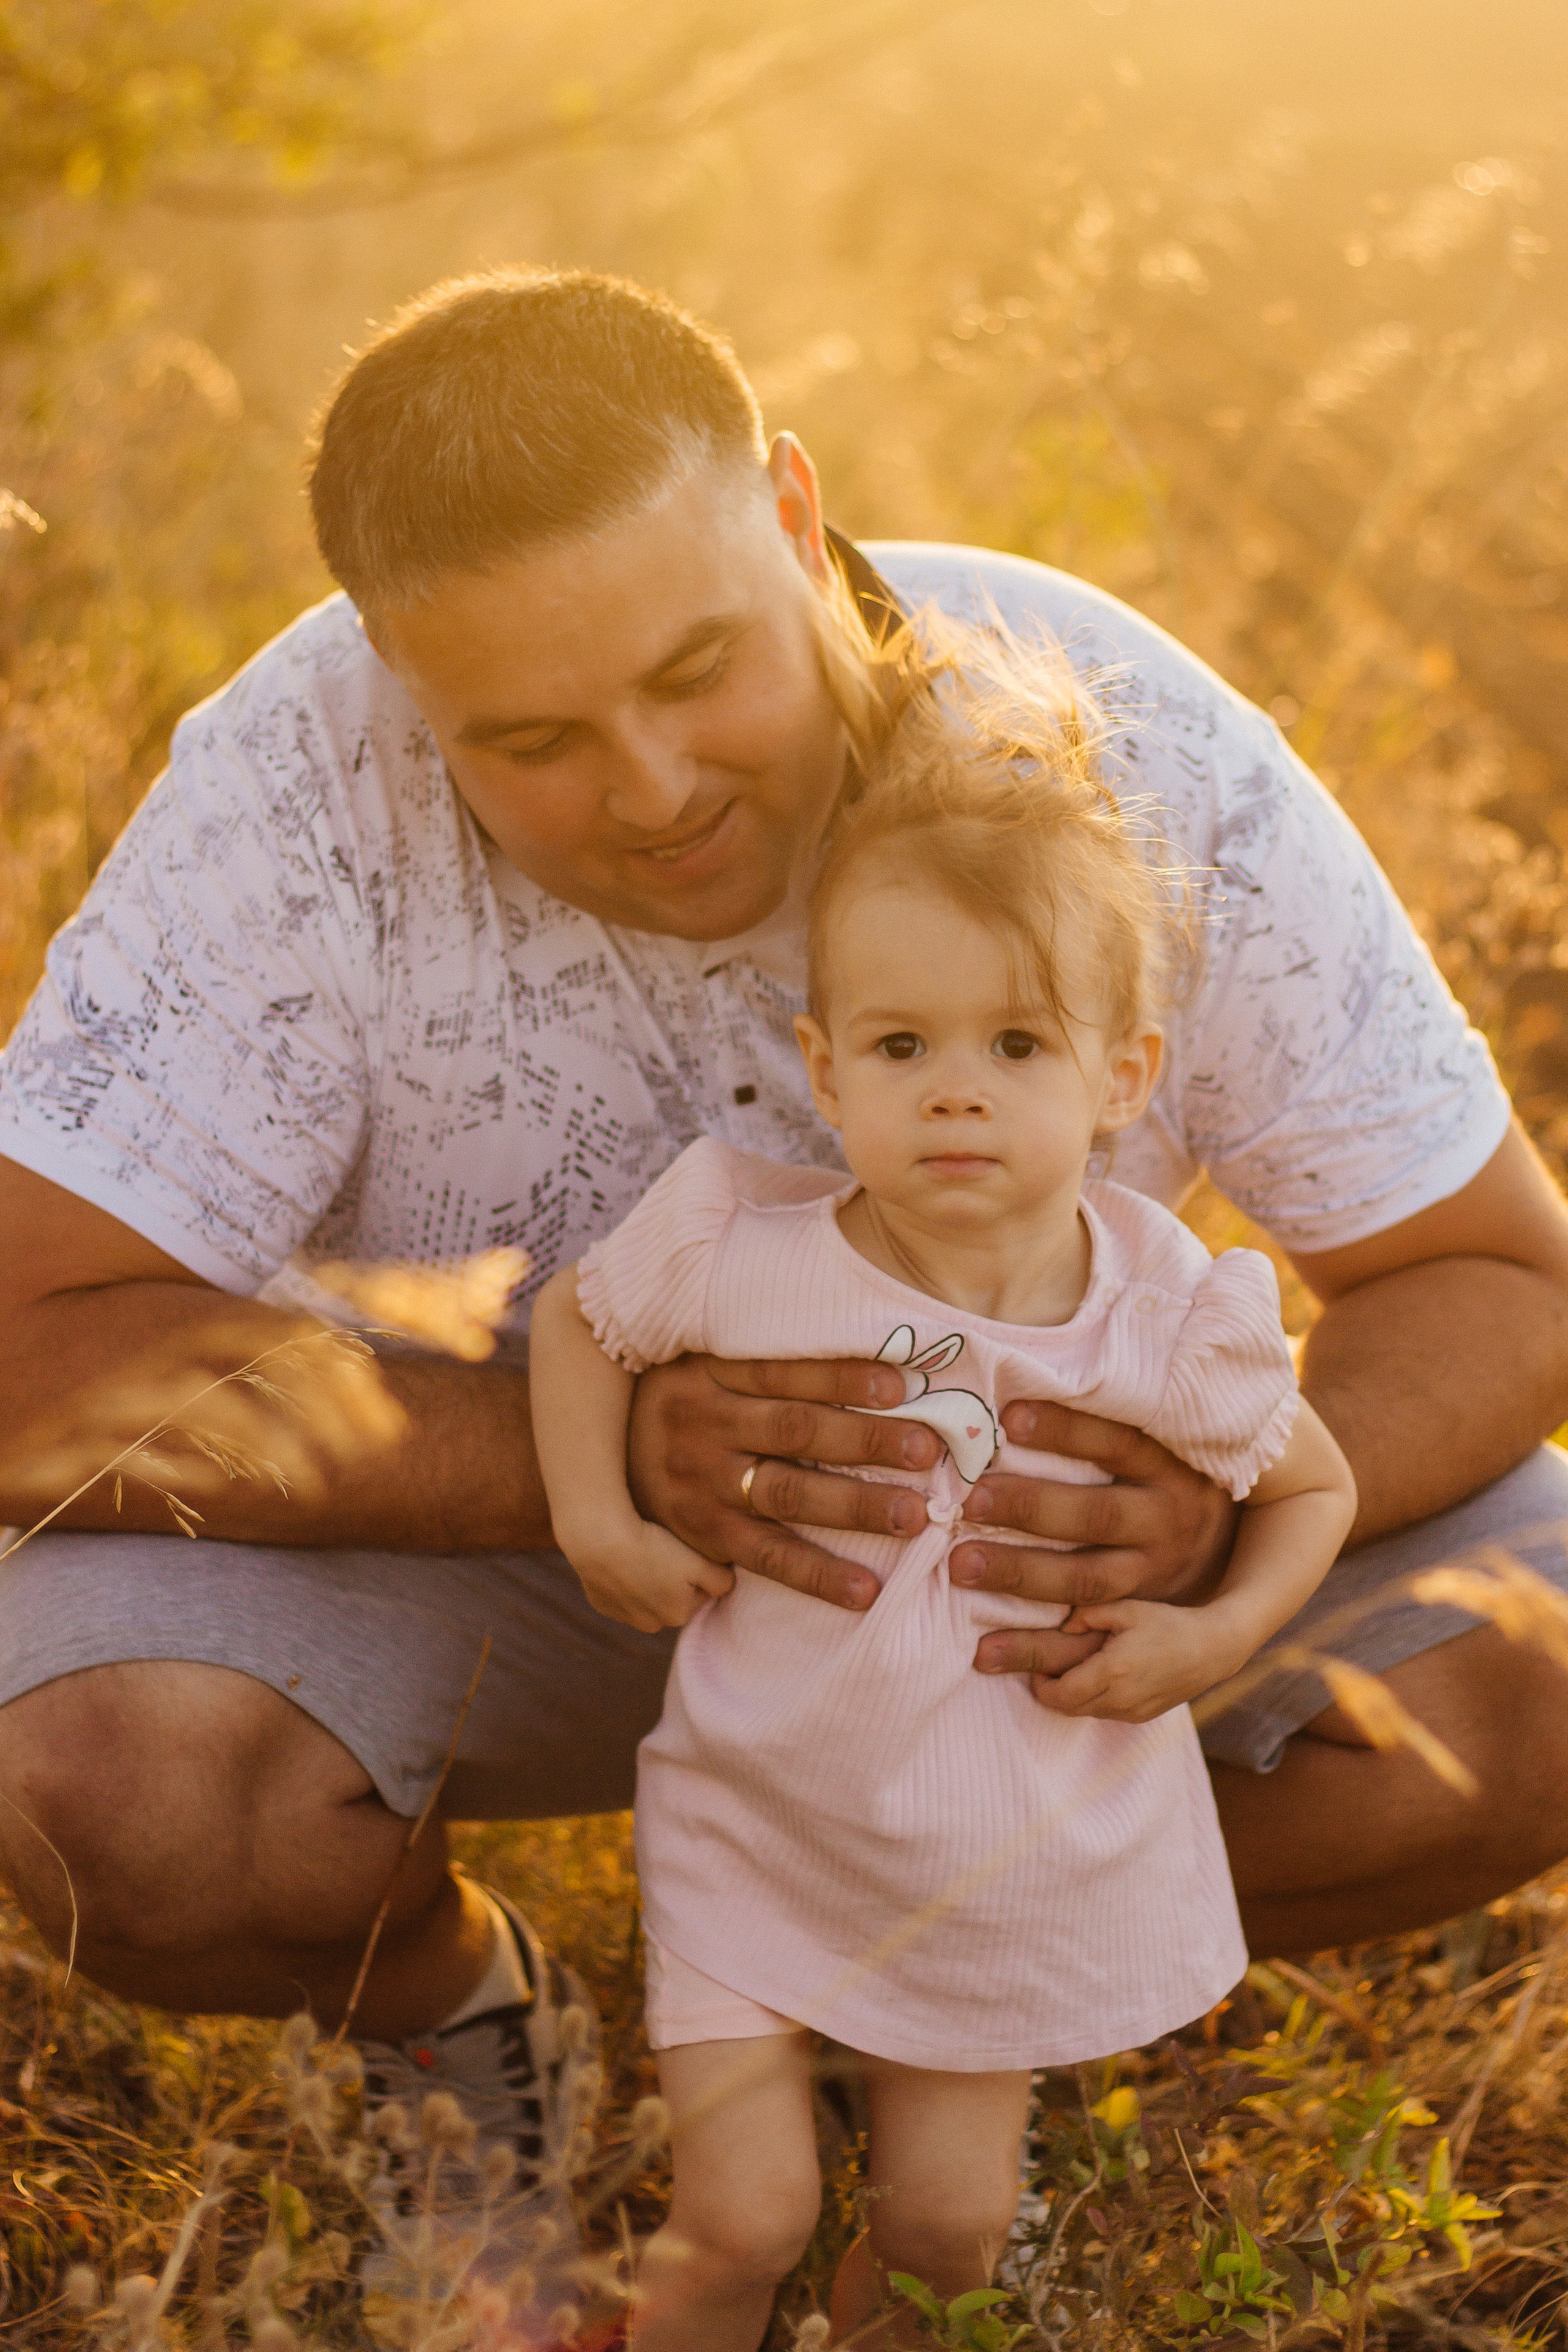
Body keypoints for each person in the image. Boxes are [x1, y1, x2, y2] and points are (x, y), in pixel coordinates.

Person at [1, 265, 1567, 2245]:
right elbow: (20, 1347)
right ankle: (470, 2025)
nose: (652, 792)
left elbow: (1504, 1276)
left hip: (1024, 1602)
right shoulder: (288, 794)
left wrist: (1198, 1502)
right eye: (536, 737)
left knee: (1551, 1660)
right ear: (397, 679)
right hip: (525, 1552)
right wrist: (599, 1466)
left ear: (799, 517)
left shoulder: (1129, 747)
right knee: (104, 1788)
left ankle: (924, 2002)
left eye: (696, 671)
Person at [529, 618, 1359, 2350]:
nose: (956, 1098)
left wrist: (1214, 1640)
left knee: (948, 2233)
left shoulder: (1161, 1319)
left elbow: (1312, 1490)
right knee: (739, 2215)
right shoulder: (744, 1250)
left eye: (1017, 1048)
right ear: (825, 1070)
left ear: (1123, 1080)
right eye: (901, 1051)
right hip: (759, 1822)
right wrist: (596, 1516)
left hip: (998, 1866)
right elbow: (578, 1331)